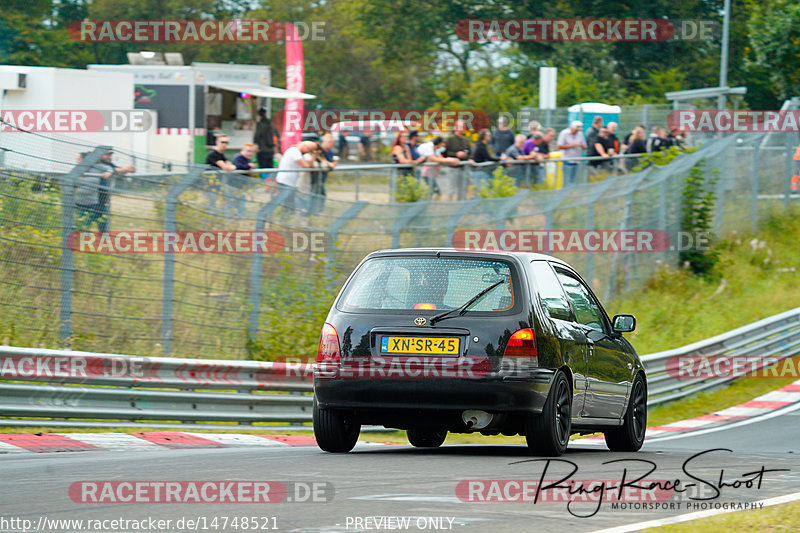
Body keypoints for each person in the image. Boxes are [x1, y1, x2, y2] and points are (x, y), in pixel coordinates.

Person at [277, 140, 317, 213]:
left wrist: (313, 157)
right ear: (304, 146)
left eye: (311, 151)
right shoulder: (294, 151)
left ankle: (288, 217)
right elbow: (305, 165)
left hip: (291, 183)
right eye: (309, 149)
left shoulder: (300, 154)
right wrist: (309, 164)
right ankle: (285, 217)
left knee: (290, 204)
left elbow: (309, 165)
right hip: (285, 182)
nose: (308, 152)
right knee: (286, 203)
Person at [308, 134, 337, 214]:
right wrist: (329, 164)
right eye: (329, 142)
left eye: (332, 142)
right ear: (324, 141)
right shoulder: (320, 150)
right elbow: (320, 159)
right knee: (315, 193)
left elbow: (333, 160)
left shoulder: (330, 151)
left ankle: (318, 211)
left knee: (321, 194)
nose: (330, 144)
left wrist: (333, 164)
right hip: (316, 177)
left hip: (323, 177)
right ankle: (311, 211)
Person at [557, 121, 587, 186]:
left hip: (576, 161)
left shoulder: (580, 134)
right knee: (566, 180)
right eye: (575, 130)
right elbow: (559, 146)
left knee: (573, 181)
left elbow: (584, 145)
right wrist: (572, 145)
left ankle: (572, 194)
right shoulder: (564, 133)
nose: (576, 132)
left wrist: (582, 146)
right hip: (567, 160)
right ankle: (565, 193)